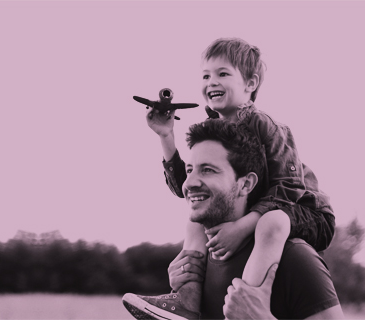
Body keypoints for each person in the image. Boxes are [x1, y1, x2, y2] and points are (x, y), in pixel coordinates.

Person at [123, 38, 336, 319]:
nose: (212, 81)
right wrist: (166, 137)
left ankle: (248, 300)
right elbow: (188, 190)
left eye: (223, 74)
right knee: (195, 219)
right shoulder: (213, 128)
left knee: (272, 222)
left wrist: (244, 226)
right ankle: (186, 301)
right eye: (206, 75)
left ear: (250, 84)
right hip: (258, 210)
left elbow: (289, 187)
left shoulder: (267, 126)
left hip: (302, 211)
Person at [123, 120, 343, 319]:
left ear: (246, 184)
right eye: (189, 170)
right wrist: (184, 293)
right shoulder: (196, 267)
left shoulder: (294, 258)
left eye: (208, 170)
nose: (189, 183)